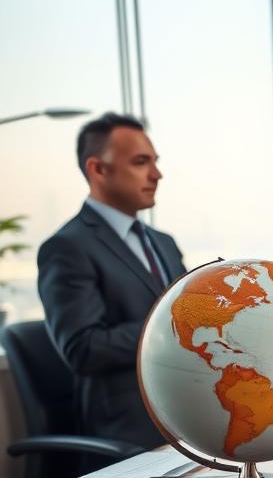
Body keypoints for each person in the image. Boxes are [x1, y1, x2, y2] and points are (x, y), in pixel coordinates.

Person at [37, 112, 187, 450]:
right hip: (130, 431)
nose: (157, 174)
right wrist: (171, 329)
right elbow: (83, 348)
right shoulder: (67, 247)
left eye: (155, 162)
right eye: (140, 162)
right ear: (98, 169)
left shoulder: (163, 242)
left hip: (190, 416)